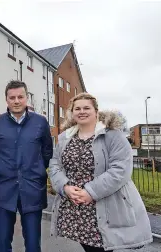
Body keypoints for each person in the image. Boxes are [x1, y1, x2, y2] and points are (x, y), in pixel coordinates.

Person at [48, 93, 153, 252]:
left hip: (103, 204)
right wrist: (65, 187)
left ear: (96, 111)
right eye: (77, 108)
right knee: (88, 246)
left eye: (86, 108)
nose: (82, 111)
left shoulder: (113, 136)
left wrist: (90, 191)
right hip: (74, 204)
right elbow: (55, 164)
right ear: (72, 113)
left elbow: (120, 170)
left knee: (101, 247)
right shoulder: (65, 137)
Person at [0, 80, 53, 252]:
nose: (16, 101)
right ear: (6, 99)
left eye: (20, 97)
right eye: (12, 97)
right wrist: (2, 169)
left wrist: (34, 170)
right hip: (4, 189)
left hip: (32, 190)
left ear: (26, 98)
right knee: (2, 241)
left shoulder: (41, 122)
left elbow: (47, 152)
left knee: (32, 243)